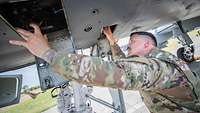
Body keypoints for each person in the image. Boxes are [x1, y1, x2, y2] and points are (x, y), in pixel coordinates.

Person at [9, 24, 200, 113]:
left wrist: (46, 53)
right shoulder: (163, 62)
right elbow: (127, 64)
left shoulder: (156, 69)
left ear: (147, 46)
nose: (128, 46)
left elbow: (113, 72)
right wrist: (112, 42)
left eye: (132, 43)